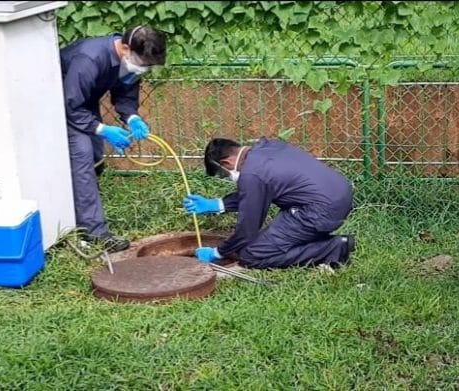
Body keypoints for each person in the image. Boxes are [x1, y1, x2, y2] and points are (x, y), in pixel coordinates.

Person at [60, 25, 166, 252]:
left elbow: (125, 95)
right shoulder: (89, 59)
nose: (143, 69)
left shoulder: (130, 62)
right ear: (125, 47)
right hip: (62, 104)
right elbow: (71, 106)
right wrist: (101, 129)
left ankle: (79, 210)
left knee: (96, 155)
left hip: (83, 103)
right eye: (143, 64)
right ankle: (94, 233)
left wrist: (133, 118)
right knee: (82, 158)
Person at [183, 137, 356, 269]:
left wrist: (217, 252)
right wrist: (217, 204)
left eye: (222, 174)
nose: (226, 178)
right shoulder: (266, 147)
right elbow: (257, 192)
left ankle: (333, 248)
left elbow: (247, 232)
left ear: (226, 163)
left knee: (251, 255)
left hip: (320, 210)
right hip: (339, 195)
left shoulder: (252, 174)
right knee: (272, 240)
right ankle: (315, 240)